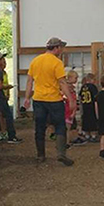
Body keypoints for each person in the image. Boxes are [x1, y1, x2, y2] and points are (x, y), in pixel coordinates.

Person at [24, 37, 75, 166]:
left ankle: (40, 155)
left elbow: (30, 81)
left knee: (40, 127)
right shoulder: (57, 63)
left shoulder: (35, 61)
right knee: (60, 126)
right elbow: (62, 82)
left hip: (39, 99)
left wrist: (27, 98)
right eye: (61, 48)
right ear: (56, 48)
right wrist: (70, 99)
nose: (61, 50)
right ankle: (61, 154)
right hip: (54, 100)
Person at [0, 53, 22, 145]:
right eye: (3, 59)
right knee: (8, 116)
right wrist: (8, 87)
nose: (4, 61)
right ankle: (12, 136)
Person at [64, 70, 85, 147]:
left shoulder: (70, 88)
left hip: (69, 110)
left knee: (68, 127)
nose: (76, 80)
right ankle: (66, 142)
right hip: (68, 111)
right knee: (67, 127)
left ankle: (68, 140)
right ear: (70, 78)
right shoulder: (68, 88)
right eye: (75, 78)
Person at [79, 73, 98, 142]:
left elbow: (80, 96)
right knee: (92, 121)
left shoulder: (83, 87)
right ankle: (93, 135)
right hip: (91, 106)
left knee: (85, 121)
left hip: (85, 106)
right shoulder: (93, 87)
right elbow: (96, 97)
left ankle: (87, 135)